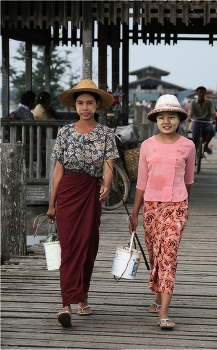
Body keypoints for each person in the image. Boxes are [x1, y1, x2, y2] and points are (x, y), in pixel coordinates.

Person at [46, 79, 119, 328]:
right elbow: (58, 171)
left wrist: (107, 184)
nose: (84, 107)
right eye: (80, 103)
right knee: (69, 248)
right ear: (75, 106)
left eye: (89, 102)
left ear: (97, 105)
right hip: (68, 191)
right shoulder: (65, 132)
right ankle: (66, 303)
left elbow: (109, 163)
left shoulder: (106, 133)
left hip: (91, 190)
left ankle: (83, 299)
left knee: (88, 246)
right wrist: (52, 203)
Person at [129, 94, 195, 330]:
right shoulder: (147, 145)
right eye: (162, 117)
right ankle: (158, 296)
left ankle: (164, 313)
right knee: (155, 253)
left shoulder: (188, 146)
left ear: (179, 119)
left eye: (172, 117)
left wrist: (185, 207)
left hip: (177, 206)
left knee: (168, 256)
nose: (167, 121)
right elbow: (141, 183)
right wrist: (135, 214)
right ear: (156, 119)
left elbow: (188, 181)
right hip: (150, 208)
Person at [188, 86, 216, 154]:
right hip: (197, 121)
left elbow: (213, 112)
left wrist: (213, 119)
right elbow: (191, 112)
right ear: (197, 93)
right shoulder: (193, 102)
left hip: (207, 121)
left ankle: (206, 146)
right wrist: (189, 117)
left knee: (211, 131)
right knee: (194, 140)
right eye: (200, 93)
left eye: (203, 93)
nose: (201, 94)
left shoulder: (209, 102)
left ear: (205, 94)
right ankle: (193, 157)